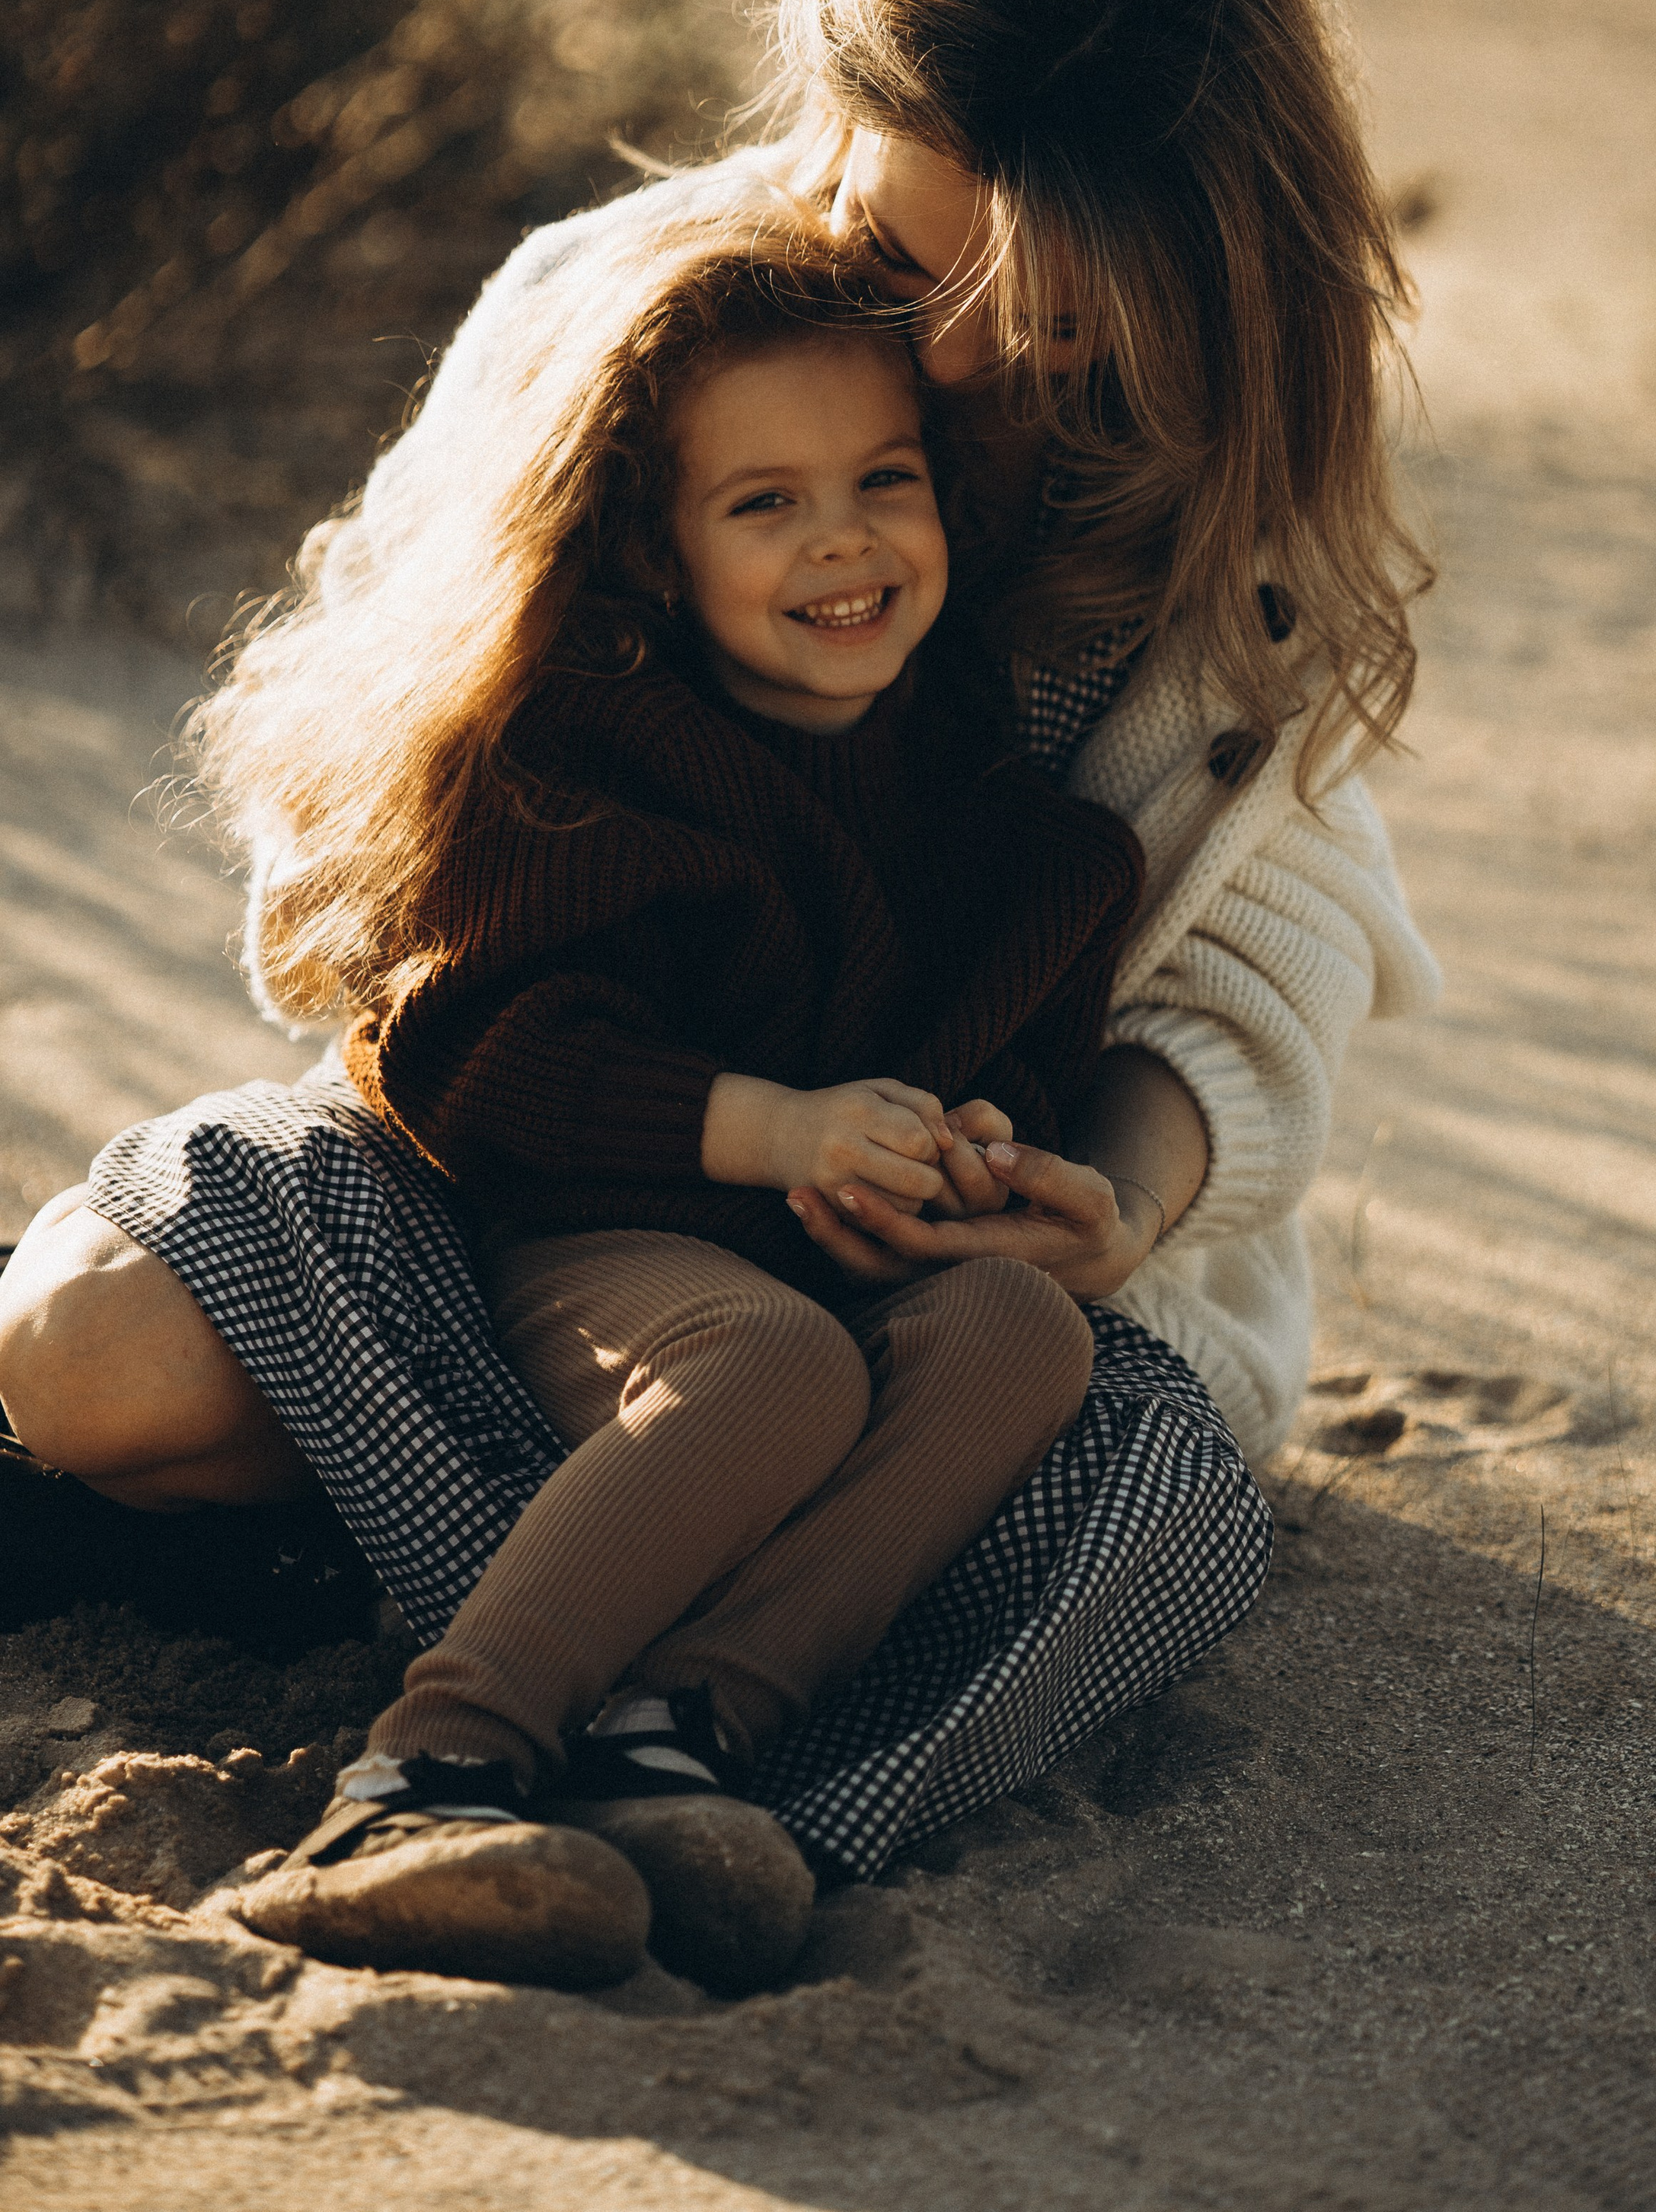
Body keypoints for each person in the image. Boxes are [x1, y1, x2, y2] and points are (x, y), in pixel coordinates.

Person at [0, 0, 1440, 1979]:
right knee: (98, 1357)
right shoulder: (621, 330)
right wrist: (732, 1114)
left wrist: (1104, 1192)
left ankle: (693, 1774)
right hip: (554, 1196)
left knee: (1141, 1510)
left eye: (1051, 315)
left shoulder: (1226, 508)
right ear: (833, 119)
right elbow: (379, 870)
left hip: (952, 1310)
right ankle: (489, 1691)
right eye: (906, 254)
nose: (960, 358)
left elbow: (1259, 955)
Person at [223, 216, 1144, 1990]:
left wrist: (982, 1165)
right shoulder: (579, 764)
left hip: (840, 1263)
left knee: (1022, 1331)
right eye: (763, 503)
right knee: (772, 1361)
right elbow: (467, 1057)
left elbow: (1015, 1062)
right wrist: (769, 1128)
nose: (841, 540)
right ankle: (427, 1773)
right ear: (654, 549)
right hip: (596, 1244)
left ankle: (678, 1742)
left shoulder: (1007, 825)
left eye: (882, 481)